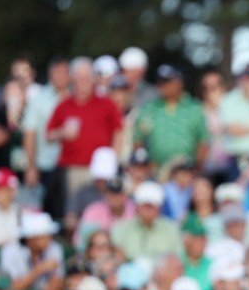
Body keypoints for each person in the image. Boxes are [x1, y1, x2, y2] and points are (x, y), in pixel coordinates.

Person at [46, 57, 124, 211]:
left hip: (101, 169)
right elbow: (48, 135)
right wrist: (62, 132)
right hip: (73, 168)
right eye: (80, 78)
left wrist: (113, 159)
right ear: (73, 79)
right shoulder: (64, 105)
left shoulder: (106, 104)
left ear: (94, 79)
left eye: (87, 77)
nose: (84, 81)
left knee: (102, 208)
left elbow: (118, 132)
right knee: (74, 209)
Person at [134, 64, 210, 169]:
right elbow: (138, 139)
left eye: (167, 82)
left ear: (179, 83)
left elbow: (203, 141)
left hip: (186, 172)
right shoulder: (150, 108)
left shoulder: (194, 108)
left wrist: (197, 170)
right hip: (155, 172)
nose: (162, 86)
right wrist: (145, 164)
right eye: (160, 82)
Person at [110, 182, 182, 263]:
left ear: (160, 208)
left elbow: (177, 258)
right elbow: (116, 257)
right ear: (137, 206)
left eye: (152, 206)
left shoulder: (171, 229)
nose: (148, 210)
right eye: (145, 205)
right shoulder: (121, 229)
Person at [0, 211, 64, 290]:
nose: (49, 239)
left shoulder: (54, 248)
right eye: (44, 236)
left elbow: (57, 282)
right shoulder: (10, 251)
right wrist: (38, 270)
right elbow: (15, 288)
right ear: (31, 238)